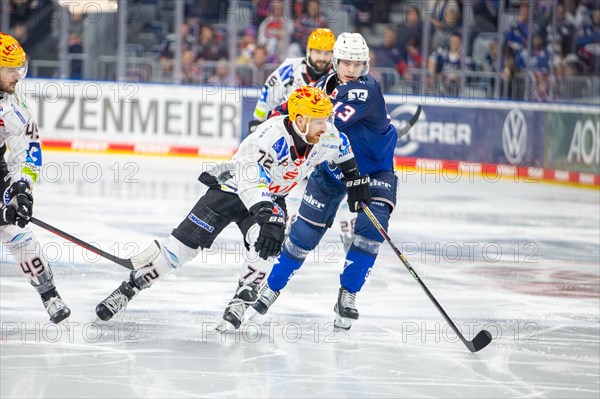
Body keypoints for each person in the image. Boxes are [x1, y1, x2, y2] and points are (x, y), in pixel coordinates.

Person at [94, 86, 372, 331]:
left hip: (272, 197)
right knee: (179, 251)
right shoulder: (268, 137)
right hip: (231, 191)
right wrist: (269, 214)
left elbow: (343, 149)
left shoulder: (327, 135)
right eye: (319, 121)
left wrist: (354, 177)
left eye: (327, 119)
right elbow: (251, 182)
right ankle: (128, 289)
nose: (326, 126)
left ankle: (242, 297)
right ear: (300, 121)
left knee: (267, 242)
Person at [251, 32, 399, 331]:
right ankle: (271, 288)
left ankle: (348, 294)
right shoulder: (320, 87)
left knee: (371, 230)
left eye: (358, 64)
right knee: (303, 235)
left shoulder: (366, 89)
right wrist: (268, 124)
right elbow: (296, 113)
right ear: (336, 61)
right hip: (333, 170)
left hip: (373, 171)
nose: (352, 70)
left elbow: (326, 124)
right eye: (347, 62)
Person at [251, 28, 357, 251]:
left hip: (322, 140)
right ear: (308, 50)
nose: (321, 57)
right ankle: (287, 224)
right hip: (293, 139)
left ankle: (349, 229)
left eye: (327, 53)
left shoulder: (340, 76)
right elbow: (267, 95)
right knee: (287, 181)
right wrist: (257, 122)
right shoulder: (290, 68)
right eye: (317, 51)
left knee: (340, 181)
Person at [0, 32, 71, 324]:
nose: (17, 75)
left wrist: (22, 189)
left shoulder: (14, 109)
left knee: (16, 234)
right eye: (9, 69)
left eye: (19, 68)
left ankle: (49, 293)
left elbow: (29, 153)